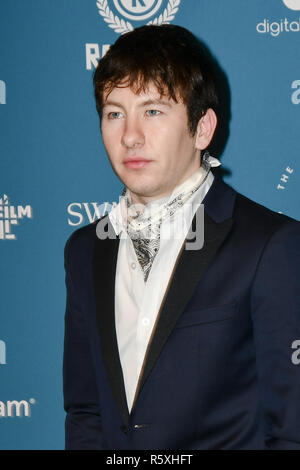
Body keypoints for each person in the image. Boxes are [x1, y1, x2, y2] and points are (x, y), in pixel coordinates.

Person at [63, 24, 300, 450]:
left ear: (202, 129)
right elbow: (86, 412)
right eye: (115, 112)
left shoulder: (269, 245)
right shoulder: (86, 250)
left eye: (153, 111)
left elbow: (292, 427)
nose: (130, 135)